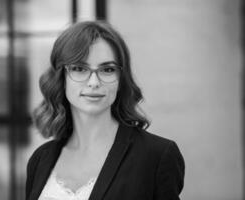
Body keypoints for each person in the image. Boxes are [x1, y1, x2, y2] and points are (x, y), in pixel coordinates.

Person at [26, 21, 185, 200]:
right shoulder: (40, 159)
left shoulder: (157, 156)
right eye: (79, 68)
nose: (94, 82)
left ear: (120, 79)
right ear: (61, 78)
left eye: (107, 69)